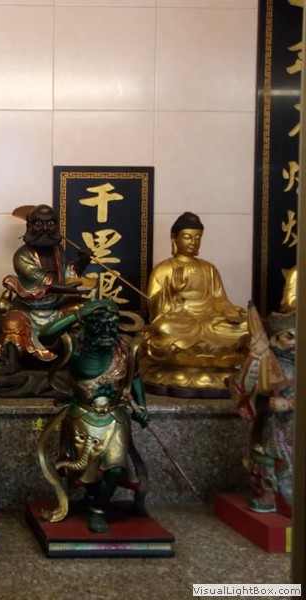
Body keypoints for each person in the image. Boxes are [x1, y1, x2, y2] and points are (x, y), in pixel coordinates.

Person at [37, 298, 150, 533]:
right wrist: (78, 315)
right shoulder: (74, 349)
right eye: (100, 325)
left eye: (111, 324)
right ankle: (92, 497)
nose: (107, 330)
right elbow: (45, 336)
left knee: (115, 468)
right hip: (82, 418)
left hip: (115, 418)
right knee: (82, 470)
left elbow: (135, 377)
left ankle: (98, 510)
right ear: (87, 327)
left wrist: (142, 408)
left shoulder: (124, 350)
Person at [0, 204, 90, 396]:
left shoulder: (58, 251)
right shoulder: (22, 255)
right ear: (29, 226)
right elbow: (41, 279)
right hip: (29, 308)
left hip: (57, 305)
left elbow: (67, 273)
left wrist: (83, 261)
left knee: (85, 311)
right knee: (12, 322)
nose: (45, 228)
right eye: (39, 224)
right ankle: (12, 362)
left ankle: (80, 359)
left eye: (50, 223)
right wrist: (65, 288)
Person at [142, 212, 249, 392]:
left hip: (210, 320)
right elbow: (153, 307)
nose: (193, 242)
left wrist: (229, 311)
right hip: (181, 321)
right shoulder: (164, 269)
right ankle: (199, 356)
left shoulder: (208, 268)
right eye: (187, 237)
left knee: (247, 327)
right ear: (174, 238)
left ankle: (206, 354)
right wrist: (173, 293)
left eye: (197, 238)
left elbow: (220, 299)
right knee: (163, 329)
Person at [229, 307, 295, 514]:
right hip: (271, 423)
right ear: (274, 340)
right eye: (289, 337)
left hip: (296, 423)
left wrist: (290, 404)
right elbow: (244, 387)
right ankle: (269, 495)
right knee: (264, 454)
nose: (295, 343)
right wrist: (256, 356)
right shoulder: (268, 362)